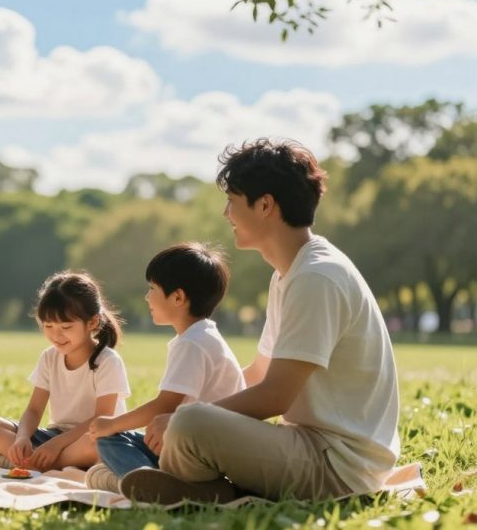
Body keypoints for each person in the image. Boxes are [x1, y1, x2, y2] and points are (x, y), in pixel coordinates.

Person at [128, 138, 400, 504]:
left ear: (265, 205)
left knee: (191, 423)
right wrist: (187, 407)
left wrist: (186, 418)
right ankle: (202, 487)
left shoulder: (316, 277)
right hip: (309, 446)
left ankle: (197, 490)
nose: (227, 214)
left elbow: (275, 396)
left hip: (338, 466)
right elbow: (259, 372)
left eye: (232, 201)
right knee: (188, 419)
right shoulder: (289, 274)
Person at [85, 243, 245, 492]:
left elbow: (164, 405)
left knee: (108, 440)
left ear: (178, 297)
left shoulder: (192, 343)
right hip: (205, 446)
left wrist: (113, 424)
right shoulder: (202, 336)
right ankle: (153, 478)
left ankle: (152, 483)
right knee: (119, 440)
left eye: (152, 289)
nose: (147, 297)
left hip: (201, 452)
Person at [0, 271, 131, 472]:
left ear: (92, 322)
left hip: (94, 436)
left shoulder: (108, 361)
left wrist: (56, 445)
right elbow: (34, 410)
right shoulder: (49, 357)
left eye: (66, 327)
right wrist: (23, 437)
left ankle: (30, 463)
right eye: (48, 326)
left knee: (97, 444)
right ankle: (36, 460)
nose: (56, 335)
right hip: (55, 436)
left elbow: (101, 419)